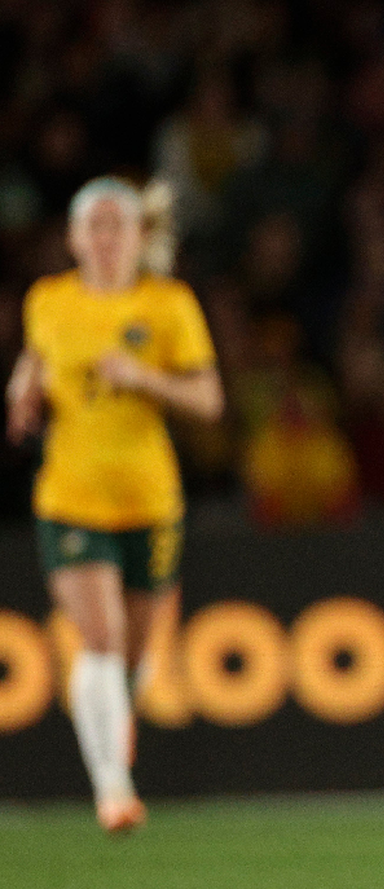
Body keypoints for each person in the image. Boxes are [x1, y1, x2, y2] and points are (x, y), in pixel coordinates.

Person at [4, 177, 224, 834]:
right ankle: (113, 788)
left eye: (116, 227)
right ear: (72, 238)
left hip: (151, 501)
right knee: (98, 638)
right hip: (70, 499)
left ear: (138, 237)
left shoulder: (168, 303)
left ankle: (113, 742)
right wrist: (22, 392)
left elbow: (209, 401)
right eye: (92, 227)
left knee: (131, 656)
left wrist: (144, 377)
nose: (104, 239)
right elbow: (36, 360)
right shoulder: (48, 299)